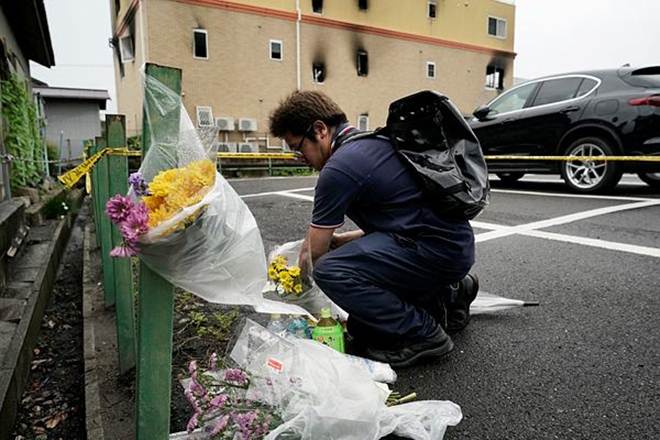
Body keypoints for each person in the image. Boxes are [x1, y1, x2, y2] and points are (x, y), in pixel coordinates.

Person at [269, 91, 479, 367]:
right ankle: (451, 294)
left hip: (435, 252)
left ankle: (424, 335)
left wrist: (299, 291)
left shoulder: (338, 168)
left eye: (298, 148)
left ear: (319, 130)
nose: (301, 158)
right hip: (452, 246)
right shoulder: (378, 142)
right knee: (362, 323)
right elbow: (401, 221)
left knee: (331, 271)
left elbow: (314, 253)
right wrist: (343, 241)